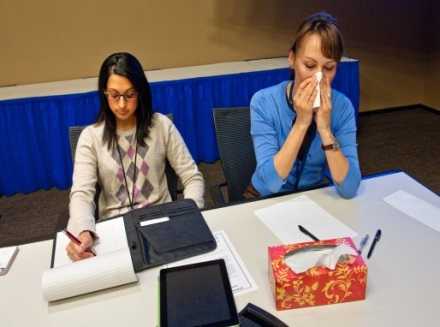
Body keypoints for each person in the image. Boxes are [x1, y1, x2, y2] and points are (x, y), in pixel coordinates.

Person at [66, 52, 204, 261]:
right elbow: (82, 194)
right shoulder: (91, 137)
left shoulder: (160, 126)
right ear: (104, 94)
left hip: (164, 225)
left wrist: (186, 217)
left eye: (130, 95)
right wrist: (83, 230)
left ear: (141, 93)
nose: (122, 104)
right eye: (114, 95)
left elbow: (192, 177)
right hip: (114, 231)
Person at [249, 12, 361, 199]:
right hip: (267, 199)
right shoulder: (263, 102)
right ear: (292, 59)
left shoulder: (343, 107)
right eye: (309, 65)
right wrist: (302, 123)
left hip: (314, 196)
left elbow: (349, 188)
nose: (319, 77)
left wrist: (325, 129)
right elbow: (269, 184)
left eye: (329, 68)